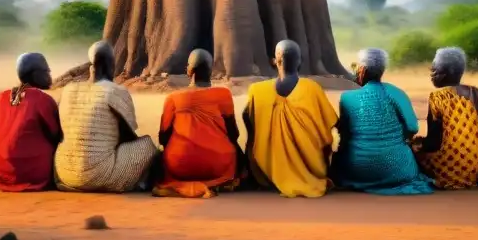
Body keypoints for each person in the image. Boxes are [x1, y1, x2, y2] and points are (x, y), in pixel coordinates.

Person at [54, 41, 158, 193]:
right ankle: (141, 184)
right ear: (109, 64)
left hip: (64, 173)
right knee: (147, 145)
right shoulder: (114, 91)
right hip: (99, 174)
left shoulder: (68, 90)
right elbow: (128, 136)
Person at [330, 48, 433, 195]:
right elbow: (412, 127)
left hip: (356, 168)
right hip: (397, 169)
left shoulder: (347, 97)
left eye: (356, 67)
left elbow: (344, 133)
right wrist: (399, 139)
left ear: (362, 70)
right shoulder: (397, 93)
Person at [243, 40, 337, 198]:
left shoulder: (257, 91)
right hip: (312, 168)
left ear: (275, 61)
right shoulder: (312, 89)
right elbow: (331, 127)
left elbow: (248, 126)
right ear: (300, 61)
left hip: (267, 172)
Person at [153, 49, 245, 199]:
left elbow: (163, 138)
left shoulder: (173, 98)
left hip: (179, 165)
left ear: (189, 70)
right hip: (217, 165)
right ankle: (224, 182)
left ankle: (179, 183)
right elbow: (234, 134)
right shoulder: (223, 95)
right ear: (210, 70)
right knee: (239, 154)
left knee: (158, 157)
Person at [413, 47, 478, 190]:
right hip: (477, 167)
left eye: (435, 70)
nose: (431, 74)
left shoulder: (437, 97)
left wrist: (418, 146)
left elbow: (434, 142)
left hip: (449, 168)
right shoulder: (477, 93)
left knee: (411, 153)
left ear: (449, 72)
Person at [0, 52, 63, 192]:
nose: (49, 76)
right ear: (35, 74)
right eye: (46, 71)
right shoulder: (43, 100)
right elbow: (56, 134)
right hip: (30, 175)